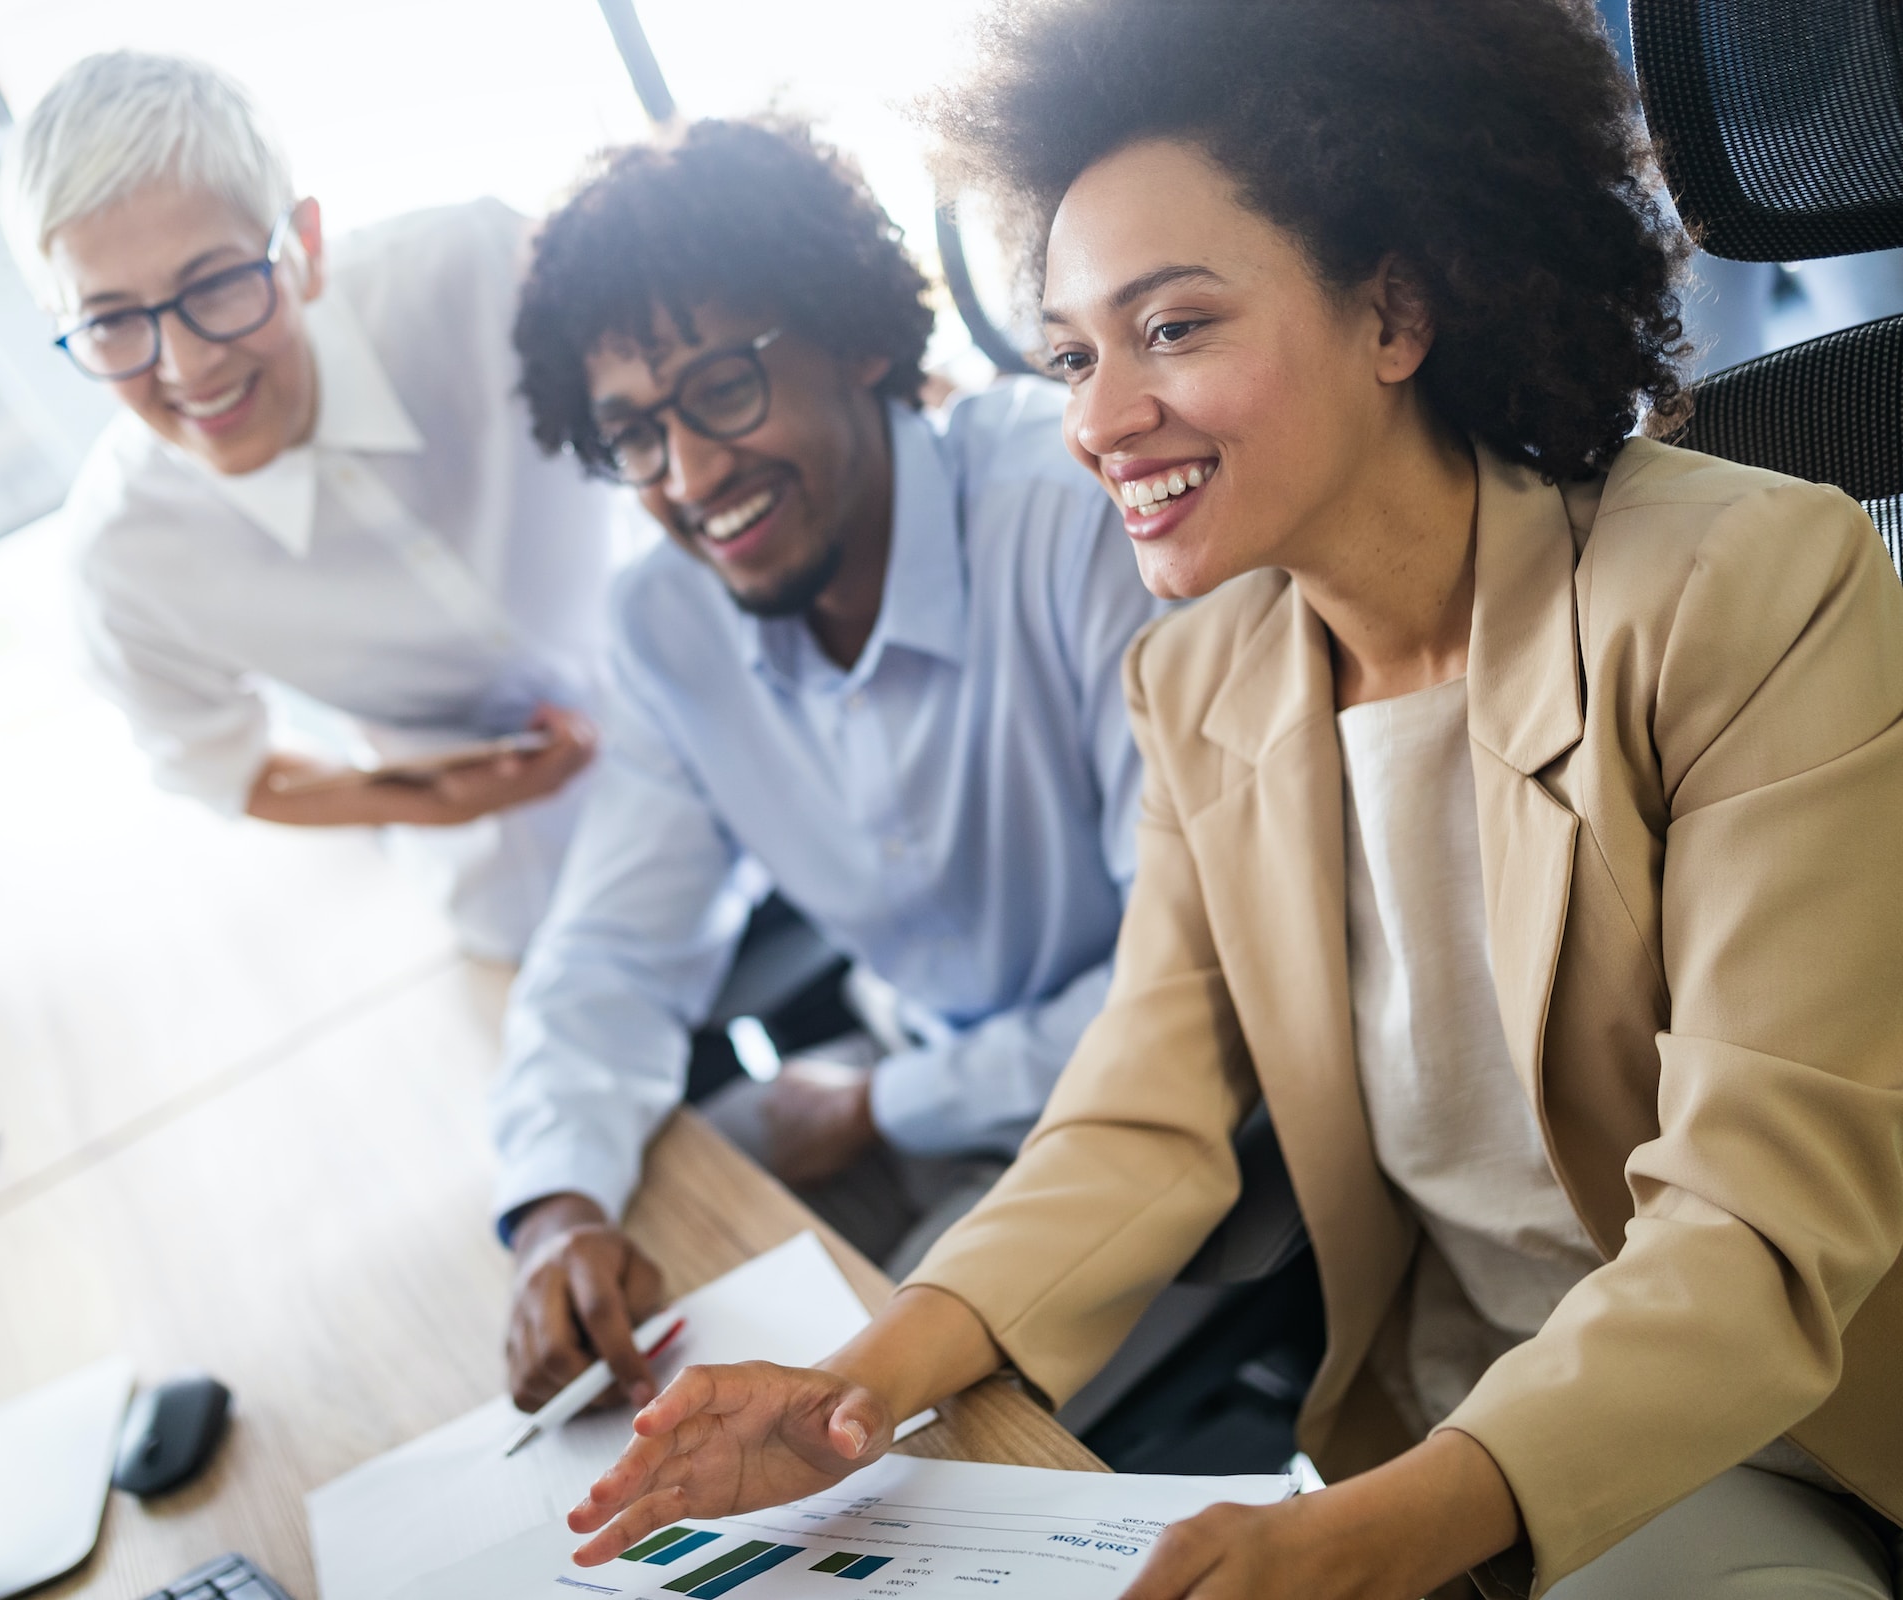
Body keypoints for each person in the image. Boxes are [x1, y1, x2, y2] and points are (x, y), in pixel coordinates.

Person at [565, 2, 1903, 1597]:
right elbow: (1136, 1117)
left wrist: (1363, 1539)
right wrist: (861, 1386)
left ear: (1395, 310)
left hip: (1768, 1423)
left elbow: (1756, 1236)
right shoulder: (1202, 688)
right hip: (1443, 1424)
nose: (1099, 416)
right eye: (1073, 351)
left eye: (1175, 328)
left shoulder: (1750, 586)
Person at [493, 120, 1164, 1414]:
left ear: (856, 337)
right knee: (615, 1319)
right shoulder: (669, 621)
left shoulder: (1075, 513)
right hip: (902, 1079)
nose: (690, 477)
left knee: (833, 1468)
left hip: (1136, 1134)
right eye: (633, 434)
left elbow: (1196, 994)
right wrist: (552, 1215)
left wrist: (885, 1103)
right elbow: (609, 955)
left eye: (726, 390)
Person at [0, 53, 612, 959]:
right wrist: (419, 799)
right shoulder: (125, 557)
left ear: (306, 249)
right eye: (113, 320)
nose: (185, 366)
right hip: (530, 891)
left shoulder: (477, 271)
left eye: (212, 284)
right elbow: (224, 767)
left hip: (767, 729)